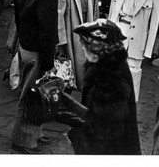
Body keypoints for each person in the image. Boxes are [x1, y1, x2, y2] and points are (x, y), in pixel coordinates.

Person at [11, 0, 65, 154]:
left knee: (33, 94)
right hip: (37, 51)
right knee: (32, 97)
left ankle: (35, 135)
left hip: (25, 45)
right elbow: (48, 31)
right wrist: (48, 60)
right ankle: (23, 140)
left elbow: (16, 12)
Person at [59, 19, 141, 155]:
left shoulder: (110, 75)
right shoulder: (104, 64)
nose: (83, 49)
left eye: (87, 44)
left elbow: (105, 126)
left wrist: (68, 114)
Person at [108, 0, 159, 101]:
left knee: (131, 81)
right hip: (117, 38)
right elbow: (112, 14)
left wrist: (148, 51)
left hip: (137, 42)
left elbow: (154, 26)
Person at [55, 0, 94, 90]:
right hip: (71, 26)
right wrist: (60, 43)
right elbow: (59, 16)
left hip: (84, 24)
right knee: (73, 62)